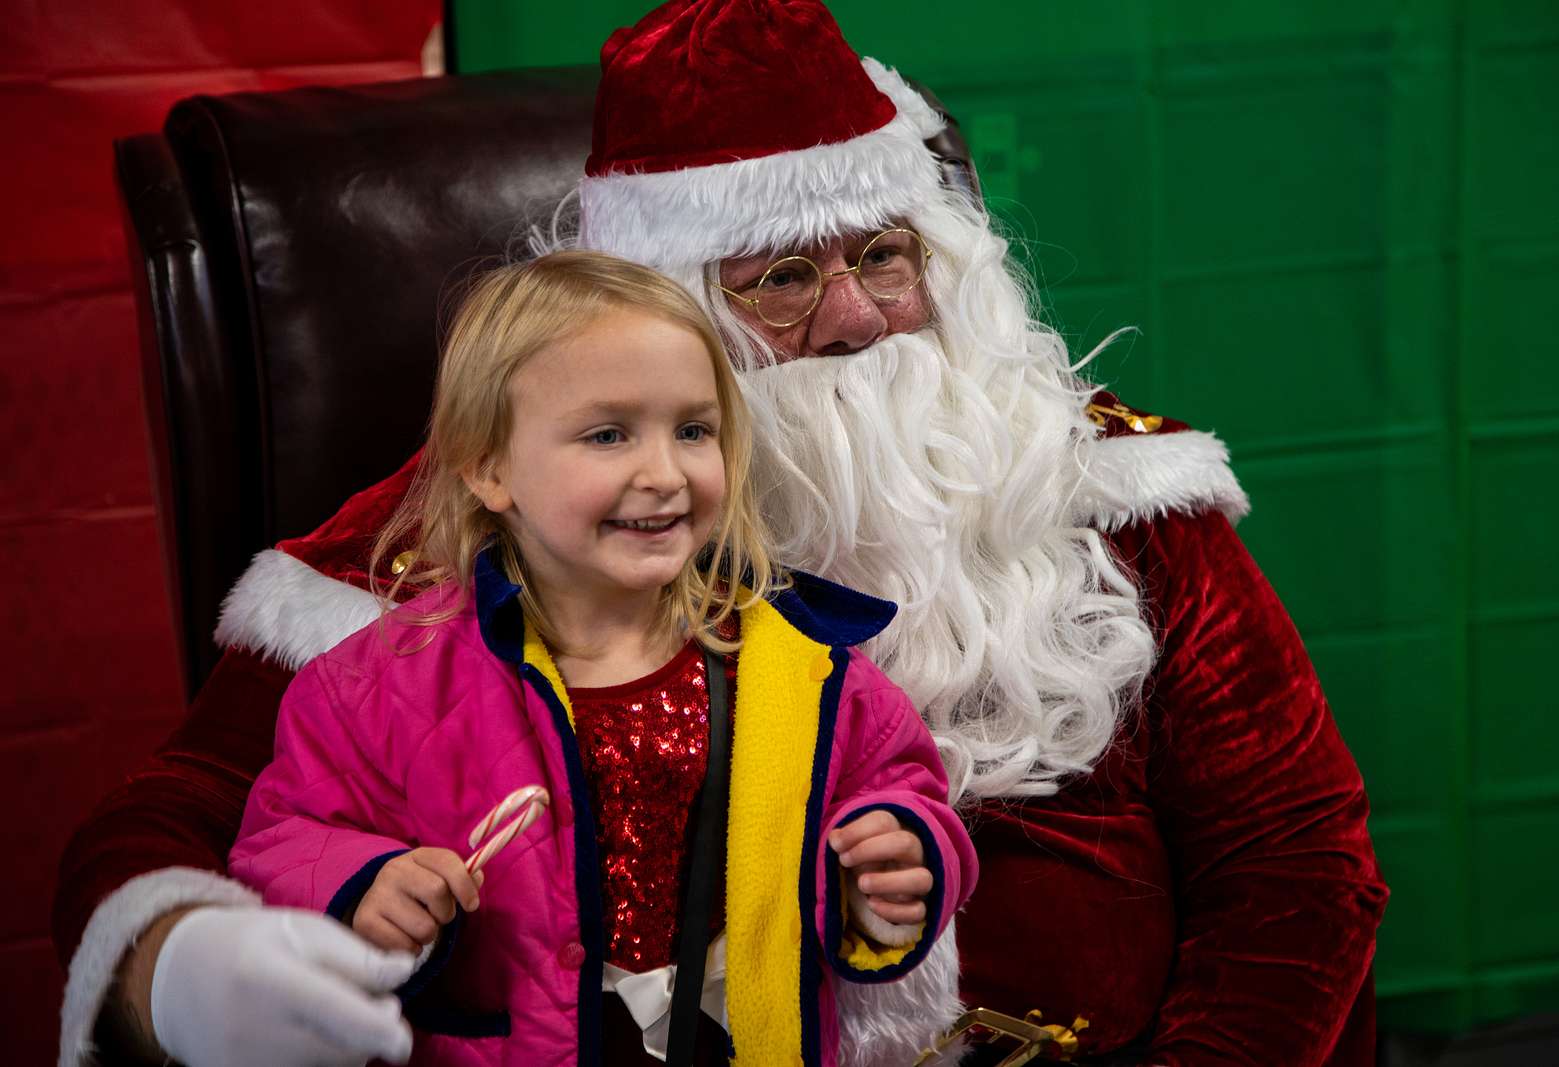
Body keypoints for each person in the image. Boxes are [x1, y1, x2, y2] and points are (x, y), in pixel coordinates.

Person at [55, 2, 1388, 1066]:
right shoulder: (497, 501)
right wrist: (182, 958)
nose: (862, 318)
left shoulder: (1100, 474)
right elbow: (169, 814)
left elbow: (1298, 852)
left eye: (887, 255)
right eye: (787, 278)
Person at [220, 250, 975, 1067]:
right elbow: (281, 839)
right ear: (489, 467)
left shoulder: (805, 667)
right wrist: (360, 884)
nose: (663, 472)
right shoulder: (378, 682)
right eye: (608, 434)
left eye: (693, 430)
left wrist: (900, 857)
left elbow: (898, 785)